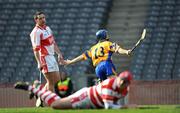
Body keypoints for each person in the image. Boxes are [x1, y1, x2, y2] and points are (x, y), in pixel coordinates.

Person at [14, 70, 137, 109]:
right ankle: (32, 88)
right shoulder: (110, 84)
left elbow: (112, 103)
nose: (122, 82)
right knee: (56, 105)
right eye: (122, 79)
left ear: (128, 84)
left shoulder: (124, 90)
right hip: (86, 98)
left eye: (125, 82)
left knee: (58, 102)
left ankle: (36, 88)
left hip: (91, 101)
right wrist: (125, 107)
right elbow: (108, 106)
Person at [64, 29, 131, 81]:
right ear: (104, 36)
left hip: (97, 69)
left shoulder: (93, 48)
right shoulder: (108, 43)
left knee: (104, 87)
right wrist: (126, 52)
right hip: (106, 65)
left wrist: (70, 62)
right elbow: (118, 49)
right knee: (115, 82)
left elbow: (82, 56)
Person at [30, 11, 65, 106]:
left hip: (51, 57)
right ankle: (52, 103)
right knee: (50, 82)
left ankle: (39, 94)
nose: (43, 20)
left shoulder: (48, 28)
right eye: (40, 18)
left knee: (57, 81)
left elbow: (53, 43)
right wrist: (39, 62)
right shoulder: (35, 32)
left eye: (43, 18)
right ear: (36, 20)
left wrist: (59, 54)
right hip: (44, 58)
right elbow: (36, 49)